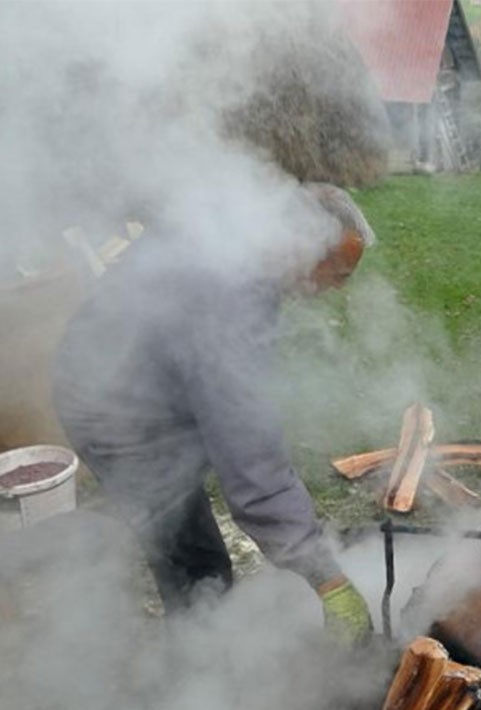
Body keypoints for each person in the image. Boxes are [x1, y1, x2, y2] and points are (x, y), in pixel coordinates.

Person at [52, 182, 376, 645]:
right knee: (197, 567)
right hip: (112, 415)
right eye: (340, 273)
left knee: (195, 534)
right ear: (304, 249)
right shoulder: (231, 297)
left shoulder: (240, 232)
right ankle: (197, 679)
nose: (338, 289)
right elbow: (249, 457)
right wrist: (328, 579)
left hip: (128, 379)